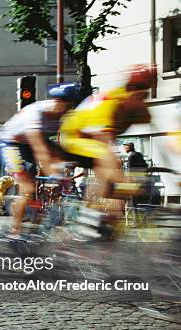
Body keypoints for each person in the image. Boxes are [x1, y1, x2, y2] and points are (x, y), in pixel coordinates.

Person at [59, 64, 157, 233]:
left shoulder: (136, 106)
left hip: (92, 137)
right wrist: (126, 182)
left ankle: (103, 219)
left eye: (148, 91)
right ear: (130, 88)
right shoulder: (110, 105)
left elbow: (156, 126)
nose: (145, 96)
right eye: (141, 90)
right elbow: (105, 148)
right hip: (73, 137)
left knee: (111, 179)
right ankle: (87, 217)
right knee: (109, 164)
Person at [0, 83, 80, 237]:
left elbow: (55, 149)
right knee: (27, 188)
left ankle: (35, 227)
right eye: (65, 106)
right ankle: (14, 230)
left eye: (70, 107)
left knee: (47, 181)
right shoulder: (35, 113)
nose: (66, 111)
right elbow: (39, 148)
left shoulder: (62, 118)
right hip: (12, 143)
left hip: (31, 143)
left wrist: (62, 170)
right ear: (57, 102)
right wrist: (53, 173)